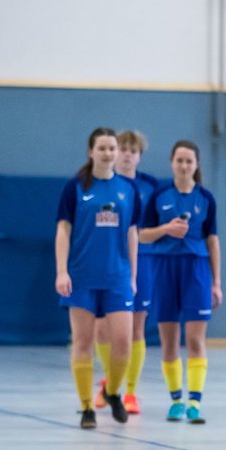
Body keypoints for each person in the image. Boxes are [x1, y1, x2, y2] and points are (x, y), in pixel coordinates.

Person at [54, 127, 139, 429]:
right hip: (81, 278)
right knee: (83, 342)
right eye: (102, 148)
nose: (108, 153)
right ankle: (87, 407)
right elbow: (63, 230)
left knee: (123, 343)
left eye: (112, 148)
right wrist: (62, 271)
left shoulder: (128, 190)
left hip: (117, 277)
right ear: (91, 152)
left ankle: (113, 391)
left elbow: (132, 233)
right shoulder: (75, 187)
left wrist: (132, 275)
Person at [139, 140, 222, 424]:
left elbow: (213, 241)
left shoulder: (206, 199)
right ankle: (175, 400)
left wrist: (216, 281)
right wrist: (166, 229)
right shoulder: (159, 196)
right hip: (164, 268)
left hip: (196, 269)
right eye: (180, 160)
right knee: (169, 340)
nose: (185, 166)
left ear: (196, 165)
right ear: (172, 163)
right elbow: (141, 235)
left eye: (189, 161)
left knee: (196, 339)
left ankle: (195, 402)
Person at [93, 130, 161, 415]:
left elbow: (155, 230)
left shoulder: (150, 187)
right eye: (125, 149)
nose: (129, 154)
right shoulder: (100, 184)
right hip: (106, 261)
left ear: (140, 156)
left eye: (135, 150)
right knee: (101, 328)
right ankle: (111, 382)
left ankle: (130, 392)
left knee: (135, 327)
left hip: (142, 260)